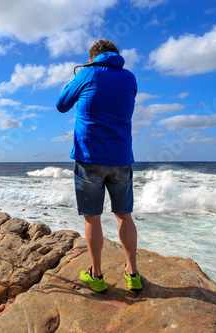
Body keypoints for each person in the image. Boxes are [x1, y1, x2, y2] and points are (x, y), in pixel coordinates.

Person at [56, 39, 142, 292]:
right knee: (124, 215)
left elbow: (61, 105)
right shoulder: (130, 78)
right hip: (121, 157)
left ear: (92, 57)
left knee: (93, 218)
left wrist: (81, 74)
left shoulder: (88, 73)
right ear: (115, 55)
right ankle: (132, 273)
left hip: (90, 156)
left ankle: (96, 275)